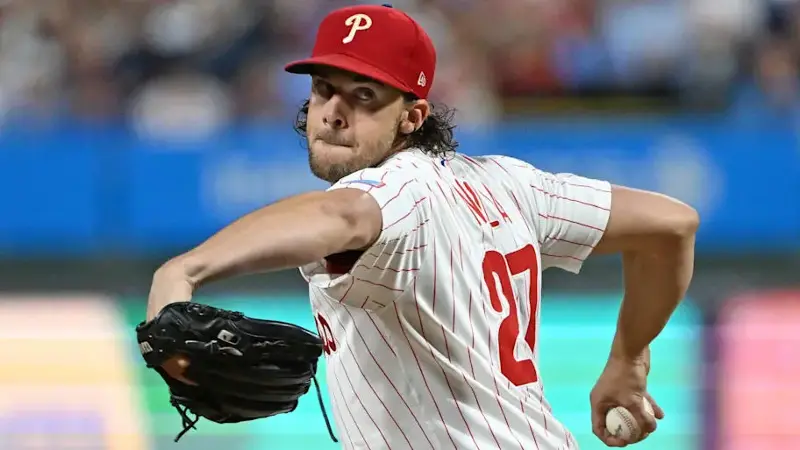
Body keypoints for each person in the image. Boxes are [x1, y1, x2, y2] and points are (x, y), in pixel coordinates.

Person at [145, 4, 698, 449]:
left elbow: (342, 213)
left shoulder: (395, 190)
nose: (334, 111)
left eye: (364, 96)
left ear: (412, 116)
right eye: (323, 88)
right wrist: (629, 358)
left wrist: (184, 269)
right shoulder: (509, 184)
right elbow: (671, 224)